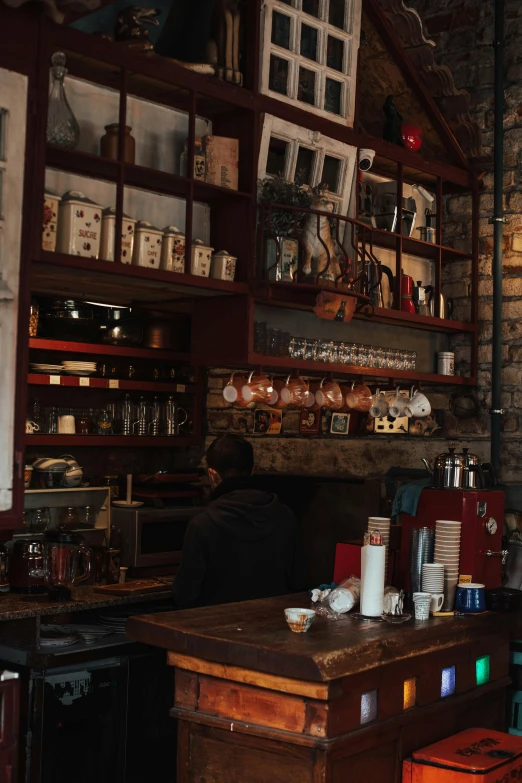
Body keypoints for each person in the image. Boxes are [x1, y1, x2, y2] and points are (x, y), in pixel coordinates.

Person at [172, 434, 306, 609]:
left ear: (212, 475)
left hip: (214, 628)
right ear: (251, 471)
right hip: (272, 626)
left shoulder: (202, 524)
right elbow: (299, 583)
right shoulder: (285, 516)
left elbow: (184, 595)